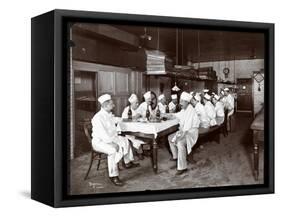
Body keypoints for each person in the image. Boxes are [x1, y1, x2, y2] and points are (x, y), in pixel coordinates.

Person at [91, 94, 139, 186]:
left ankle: (127, 163)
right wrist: (112, 143)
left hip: (110, 138)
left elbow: (116, 119)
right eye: (112, 104)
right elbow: (102, 134)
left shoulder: (108, 114)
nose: (114, 105)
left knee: (125, 140)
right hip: (99, 142)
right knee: (113, 150)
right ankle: (113, 176)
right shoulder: (98, 118)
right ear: (105, 105)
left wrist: (127, 119)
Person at [168, 92, 200, 175]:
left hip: (191, 133)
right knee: (170, 138)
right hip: (185, 131)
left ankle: (182, 167)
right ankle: (176, 157)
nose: (180, 103)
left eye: (182, 101)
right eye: (180, 101)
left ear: (187, 102)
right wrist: (166, 115)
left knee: (180, 142)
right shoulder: (184, 109)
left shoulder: (190, 110)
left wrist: (179, 137)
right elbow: (176, 115)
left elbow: (186, 129)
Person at [121, 94, 144, 159]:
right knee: (135, 138)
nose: (137, 104)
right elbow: (123, 120)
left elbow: (143, 117)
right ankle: (140, 152)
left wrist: (141, 116)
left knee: (144, 135)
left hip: (138, 128)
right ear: (132, 104)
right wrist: (134, 117)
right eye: (136, 103)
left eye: (138, 102)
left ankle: (142, 151)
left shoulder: (139, 109)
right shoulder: (127, 109)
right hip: (129, 130)